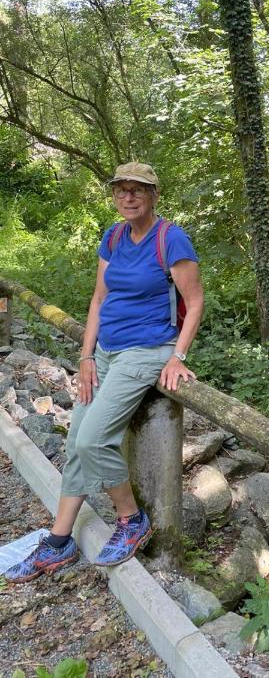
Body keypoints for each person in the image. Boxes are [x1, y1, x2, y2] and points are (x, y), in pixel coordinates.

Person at [4, 162, 204, 583]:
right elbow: (98, 299)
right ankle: (58, 543)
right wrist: (87, 356)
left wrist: (177, 357)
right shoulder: (113, 236)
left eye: (138, 190)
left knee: (95, 439)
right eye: (121, 190)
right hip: (108, 351)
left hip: (147, 350)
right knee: (78, 441)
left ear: (154, 195)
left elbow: (195, 301)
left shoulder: (172, 239)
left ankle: (131, 520)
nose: (128, 197)